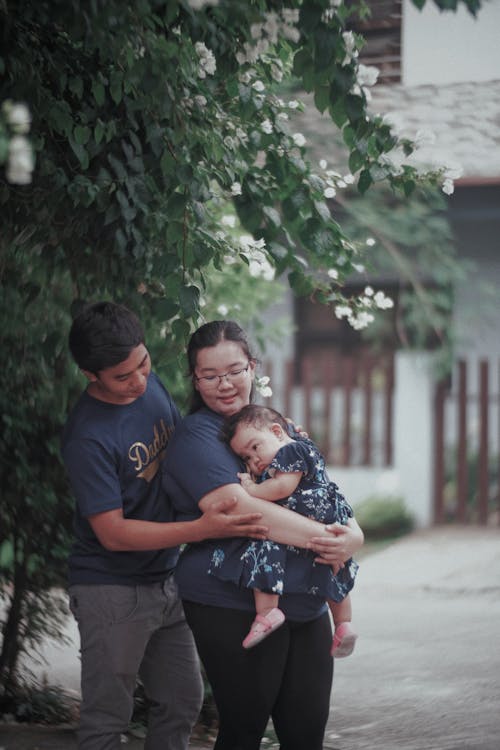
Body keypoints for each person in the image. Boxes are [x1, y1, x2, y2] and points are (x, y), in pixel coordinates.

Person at [61, 302, 268, 750]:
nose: (138, 380)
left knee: (181, 701)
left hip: (166, 578)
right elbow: (112, 533)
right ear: (89, 374)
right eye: (122, 376)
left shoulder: (147, 385)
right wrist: (203, 529)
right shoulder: (88, 436)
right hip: (110, 590)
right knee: (106, 720)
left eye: (143, 363)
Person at [163, 320, 364, 750]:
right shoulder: (196, 436)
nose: (225, 384)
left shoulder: (274, 426)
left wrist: (354, 536)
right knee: (244, 729)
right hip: (231, 599)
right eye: (210, 375)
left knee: (307, 732)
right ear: (195, 380)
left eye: (234, 370)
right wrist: (328, 541)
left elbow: (322, 490)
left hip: (305, 597)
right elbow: (246, 510)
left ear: (253, 366)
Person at [216, 403, 358, 655]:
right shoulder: (299, 449)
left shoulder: (290, 451)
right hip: (324, 518)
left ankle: (267, 612)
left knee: (264, 546)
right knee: (332, 564)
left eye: (255, 447)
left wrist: (252, 490)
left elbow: (282, 488)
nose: (254, 459)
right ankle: (343, 625)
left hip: (307, 510)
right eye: (246, 457)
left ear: (278, 432)